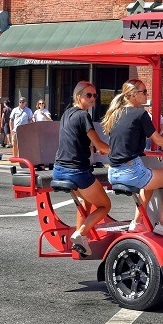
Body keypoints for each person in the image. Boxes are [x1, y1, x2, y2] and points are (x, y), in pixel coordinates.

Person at [101, 79, 163, 239]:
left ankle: (137, 222)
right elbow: (158, 140)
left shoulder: (115, 113)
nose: (147, 95)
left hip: (113, 172)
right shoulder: (140, 114)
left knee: (149, 181)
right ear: (133, 95)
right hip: (131, 171)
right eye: (144, 92)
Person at [52, 81, 111, 257]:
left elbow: (75, 141)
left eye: (94, 95)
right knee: (104, 205)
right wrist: (117, 150)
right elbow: (99, 142)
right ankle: (81, 233)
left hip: (59, 169)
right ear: (78, 97)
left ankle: (80, 242)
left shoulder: (66, 114)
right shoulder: (83, 116)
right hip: (76, 172)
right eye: (88, 95)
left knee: (86, 201)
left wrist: (94, 148)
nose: (93, 98)